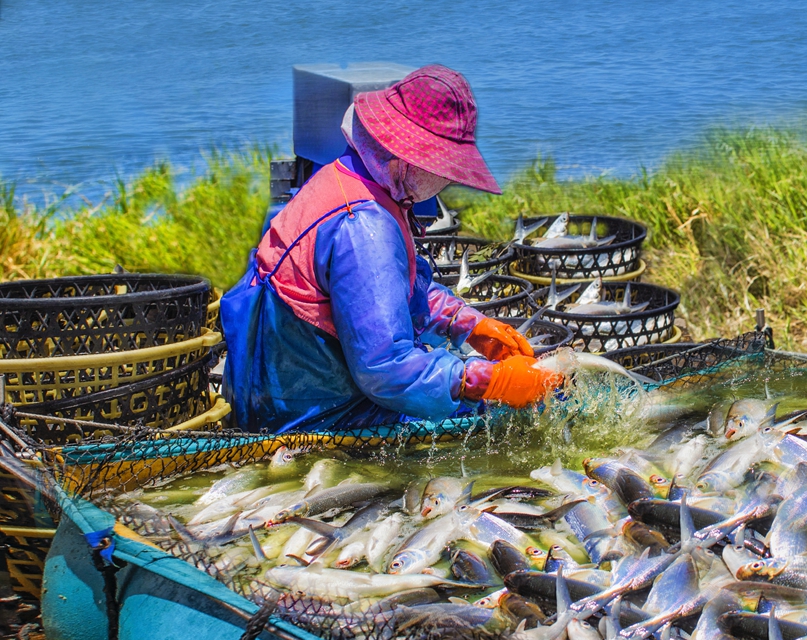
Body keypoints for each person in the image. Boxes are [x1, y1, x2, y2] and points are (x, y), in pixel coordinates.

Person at [221, 65, 560, 432]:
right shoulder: (364, 224)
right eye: (443, 167)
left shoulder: (350, 176)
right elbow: (385, 368)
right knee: (517, 421)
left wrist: (468, 324)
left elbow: (386, 291)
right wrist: (482, 381)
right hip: (319, 415)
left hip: (283, 387)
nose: (447, 179)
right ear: (407, 157)